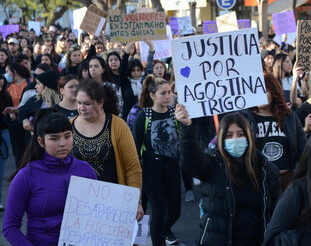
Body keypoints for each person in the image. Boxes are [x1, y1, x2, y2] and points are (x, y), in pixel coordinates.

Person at [176, 106, 281, 246]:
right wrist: (187, 127)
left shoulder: (266, 169)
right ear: (221, 138)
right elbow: (191, 162)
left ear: (249, 136)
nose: (235, 139)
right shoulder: (212, 164)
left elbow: (276, 211)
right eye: (229, 135)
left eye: (240, 134)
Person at [2, 109, 97, 246]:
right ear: (41, 141)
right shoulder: (26, 175)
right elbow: (10, 227)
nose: (62, 143)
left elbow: (98, 217)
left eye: (67, 136)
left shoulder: (86, 170)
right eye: (54, 138)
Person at [71, 78, 143, 220]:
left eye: (87, 104)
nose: (81, 108)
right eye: (78, 103)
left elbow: (132, 167)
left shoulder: (118, 125)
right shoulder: (69, 126)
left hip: (114, 204)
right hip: (79, 205)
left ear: (100, 102)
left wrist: (136, 201)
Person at [132, 75, 181, 245]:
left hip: (173, 167)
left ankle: (164, 231)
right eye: (163, 93)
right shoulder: (143, 117)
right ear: (152, 96)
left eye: (169, 93)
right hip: (152, 169)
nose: (167, 96)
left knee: (175, 211)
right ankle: (158, 241)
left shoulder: (176, 113)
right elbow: (135, 147)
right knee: (159, 210)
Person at [242, 72, 306, 190]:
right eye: (256, 90)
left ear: (274, 92)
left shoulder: (290, 117)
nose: (260, 95)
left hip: (287, 181)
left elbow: (304, 150)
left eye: (265, 90)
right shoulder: (243, 119)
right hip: (258, 182)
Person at [0, 74, 13, 211]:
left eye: (1, 83)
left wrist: (12, 115)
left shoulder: (6, 97)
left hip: (4, 133)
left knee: (1, 168)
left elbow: (10, 115)